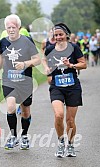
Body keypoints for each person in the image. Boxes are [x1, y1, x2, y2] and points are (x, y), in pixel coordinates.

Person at [0, 14, 41, 150]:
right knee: (10, 107)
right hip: (9, 80)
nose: (11, 30)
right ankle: (13, 135)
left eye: (13, 27)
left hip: (25, 81)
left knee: (25, 110)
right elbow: (1, 56)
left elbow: (37, 59)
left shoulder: (27, 41)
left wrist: (25, 63)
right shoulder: (3, 41)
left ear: (19, 27)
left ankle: (24, 135)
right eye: (8, 27)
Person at [43, 23, 87, 157]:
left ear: (66, 35)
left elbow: (83, 64)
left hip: (73, 87)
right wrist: (47, 70)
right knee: (58, 115)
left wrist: (71, 65)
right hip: (57, 86)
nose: (58, 37)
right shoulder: (50, 49)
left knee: (70, 120)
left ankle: (71, 144)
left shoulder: (74, 48)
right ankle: (61, 142)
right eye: (55, 35)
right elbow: (44, 60)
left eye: (60, 34)